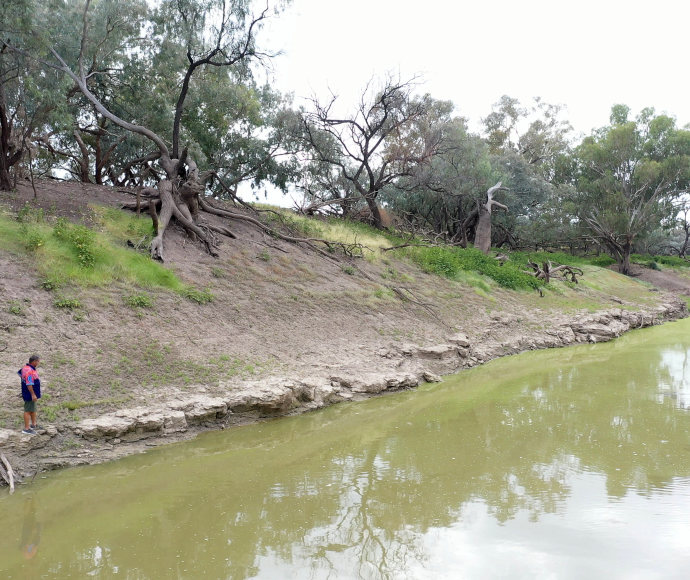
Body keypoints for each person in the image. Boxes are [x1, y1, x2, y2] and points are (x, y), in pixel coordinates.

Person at [18, 355, 42, 435]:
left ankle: (34, 425)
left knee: (33, 408)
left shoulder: (26, 368)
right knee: (28, 410)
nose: (38, 363)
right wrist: (33, 394)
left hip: (31, 393)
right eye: (38, 361)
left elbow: (20, 374)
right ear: (34, 361)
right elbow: (29, 383)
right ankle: (26, 428)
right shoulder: (29, 370)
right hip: (29, 393)